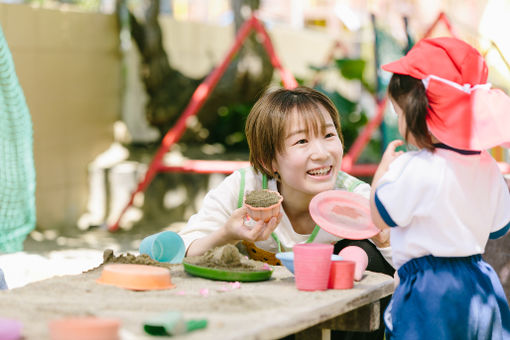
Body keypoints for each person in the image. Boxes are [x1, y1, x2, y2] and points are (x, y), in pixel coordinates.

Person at [179, 86, 394, 339]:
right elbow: (185, 247)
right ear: (268, 161)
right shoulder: (245, 190)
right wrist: (227, 233)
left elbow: (410, 262)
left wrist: (386, 240)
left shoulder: (354, 198)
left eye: (328, 135)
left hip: (339, 313)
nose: (322, 153)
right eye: (302, 141)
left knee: (367, 251)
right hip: (267, 314)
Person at [370, 37, 510, 340]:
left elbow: (380, 216)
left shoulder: (414, 167)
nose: (399, 124)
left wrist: (381, 175)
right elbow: (498, 229)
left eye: (399, 114)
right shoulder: (488, 167)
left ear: (420, 112)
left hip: (428, 290)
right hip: (480, 283)